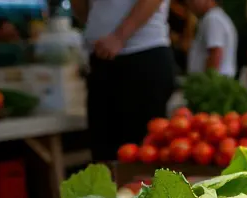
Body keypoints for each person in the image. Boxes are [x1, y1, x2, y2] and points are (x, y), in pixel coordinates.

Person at [73, 0, 176, 162]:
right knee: (103, 155)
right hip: (101, 60)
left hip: (143, 55)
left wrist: (119, 36)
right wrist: (98, 26)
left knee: (141, 155)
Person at [186, 0, 238, 77]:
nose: (189, 2)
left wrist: (208, 81)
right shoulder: (218, 16)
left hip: (213, 82)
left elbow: (216, 53)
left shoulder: (213, 18)